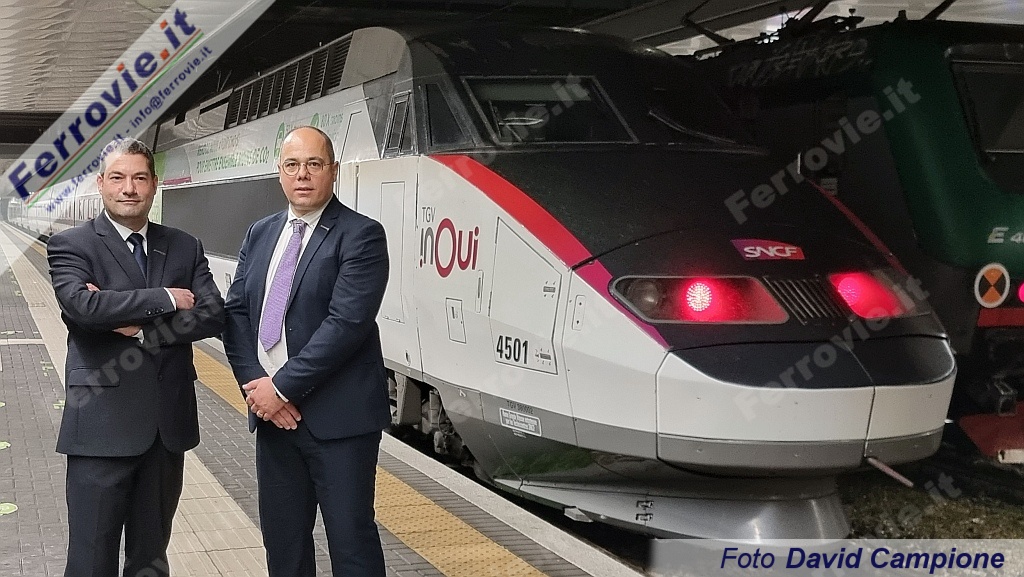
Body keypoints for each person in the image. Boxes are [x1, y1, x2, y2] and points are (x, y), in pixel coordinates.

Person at [47, 137, 225, 576]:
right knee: (90, 561)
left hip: (165, 432)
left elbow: (213, 315)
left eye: (139, 178)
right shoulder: (71, 244)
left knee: (150, 561)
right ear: (101, 183)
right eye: (118, 178)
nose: (129, 188)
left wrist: (139, 326)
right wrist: (167, 298)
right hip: (99, 427)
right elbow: (84, 308)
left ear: (154, 184)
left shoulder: (184, 245)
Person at [223, 125, 390, 576]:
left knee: (351, 544)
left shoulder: (361, 235)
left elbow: (346, 324)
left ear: (333, 171)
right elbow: (235, 313)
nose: (303, 175)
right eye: (293, 165)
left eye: (314, 164)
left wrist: (279, 389)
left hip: (340, 424)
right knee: (284, 546)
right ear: (279, 173)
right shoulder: (260, 233)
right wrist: (257, 388)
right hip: (274, 422)